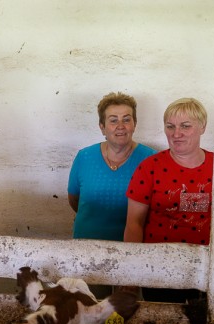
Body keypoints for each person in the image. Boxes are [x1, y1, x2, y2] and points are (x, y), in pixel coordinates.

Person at [67, 92, 156, 298]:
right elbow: (75, 200)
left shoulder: (151, 159)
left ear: (135, 124)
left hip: (132, 253)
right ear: (102, 127)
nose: (120, 126)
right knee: (87, 308)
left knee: (126, 312)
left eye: (127, 119)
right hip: (87, 251)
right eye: (113, 120)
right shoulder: (84, 157)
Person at [124, 97, 212, 302]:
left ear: (202, 127)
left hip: (209, 269)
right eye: (170, 126)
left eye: (185, 126)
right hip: (159, 270)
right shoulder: (150, 167)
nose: (176, 133)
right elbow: (134, 223)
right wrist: (130, 272)